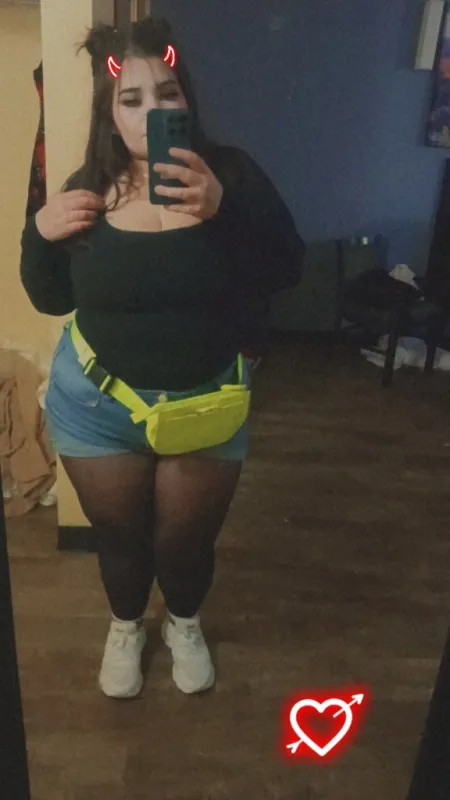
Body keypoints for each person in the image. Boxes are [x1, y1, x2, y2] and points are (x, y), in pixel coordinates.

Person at [19, 16, 304, 700]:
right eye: (132, 99)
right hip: (96, 406)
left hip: (205, 402)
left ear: (186, 100)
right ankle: (125, 627)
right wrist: (37, 234)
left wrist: (224, 211)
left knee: (184, 546)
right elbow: (51, 298)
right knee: (120, 540)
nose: (152, 112)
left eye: (166, 93)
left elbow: (287, 268)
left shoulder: (230, 175)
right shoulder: (86, 186)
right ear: (110, 112)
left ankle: (183, 622)